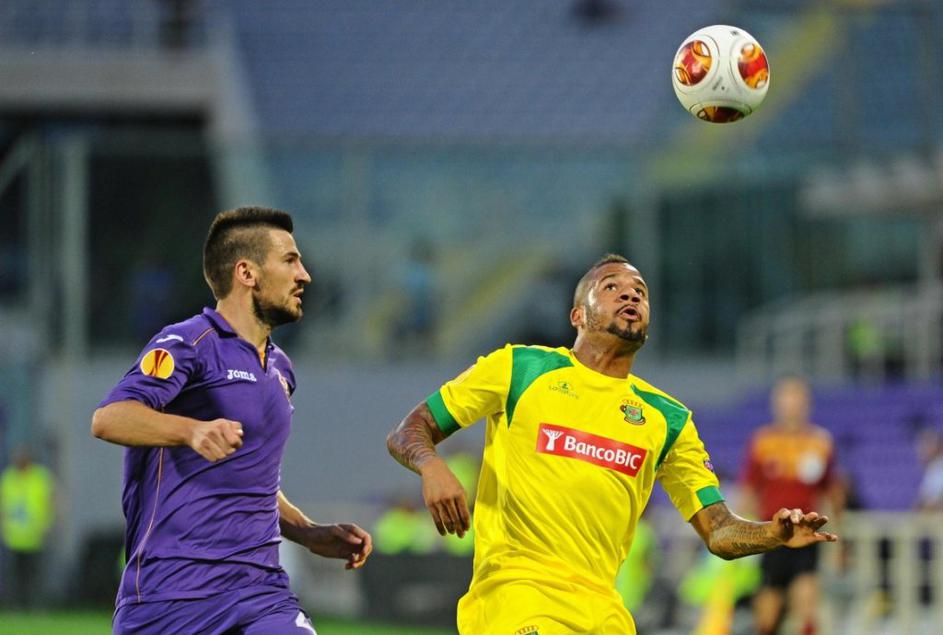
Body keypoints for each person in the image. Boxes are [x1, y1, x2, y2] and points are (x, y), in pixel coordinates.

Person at [386, 254, 838, 635]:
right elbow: (409, 430)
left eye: (640, 290)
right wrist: (431, 465)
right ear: (577, 316)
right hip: (515, 598)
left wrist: (772, 534)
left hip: (604, 612)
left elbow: (718, 529)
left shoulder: (667, 419)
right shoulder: (519, 369)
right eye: (611, 287)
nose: (630, 295)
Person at [91, 207, 372, 634]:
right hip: (171, 597)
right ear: (247, 273)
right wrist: (191, 431)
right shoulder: (189, 343)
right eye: (290, 260)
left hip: (261, 594)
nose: (304, 275)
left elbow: (253, 481)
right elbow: (109, 418)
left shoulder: (280, 368)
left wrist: (308, 532)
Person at [739, 377, 843, 635]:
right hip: (772, 532)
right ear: (776, 404)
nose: (791, 406)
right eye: (785, 399)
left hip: (805, 532)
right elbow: (749, 491)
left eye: (796, 399)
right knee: (768, 609)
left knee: (806, 598)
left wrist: (840, 540)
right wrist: (742, 535)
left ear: (806, 404)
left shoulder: (820, 442)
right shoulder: (762, 441)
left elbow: (832, 492)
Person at [0, 446, 55, 609]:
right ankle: (15, 605)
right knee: (14, 575)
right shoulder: (8, 478)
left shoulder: (40, 477)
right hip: (14, 537)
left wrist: (49, 524)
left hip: (35, 535)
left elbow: (51, 500)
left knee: (34, 575)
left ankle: (35, 605)